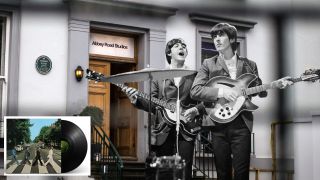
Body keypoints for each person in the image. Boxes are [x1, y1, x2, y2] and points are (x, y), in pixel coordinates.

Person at [190, 23, 292, 180]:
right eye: (214, 36)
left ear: (231, 39)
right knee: (222, 173)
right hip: (217, 123)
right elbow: (195, 91)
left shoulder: (250, 65)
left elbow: (260, 91)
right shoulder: (208, 64)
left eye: (221, 35)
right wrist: (222, 91)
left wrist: (274, 85)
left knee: (242, 173)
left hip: (241, 124)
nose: (216, 39)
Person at [123, 38, 205, 180]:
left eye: (184, 46)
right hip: (163, 129)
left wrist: (196, 110)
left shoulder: (195, 75)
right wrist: (136, 100)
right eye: (177, 46)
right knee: (164, 172)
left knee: (185, 170)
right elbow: (153, 103)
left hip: (187, 128)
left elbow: (205, 100)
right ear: (169, 53)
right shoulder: (158, 76)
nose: (182, 48)